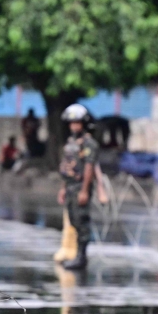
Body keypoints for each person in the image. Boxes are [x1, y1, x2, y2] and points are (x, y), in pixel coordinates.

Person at [57, 104, 99, 270]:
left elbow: (89, 167)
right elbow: (66, 165)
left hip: (80, 186)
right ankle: (77, 253)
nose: (74, 126)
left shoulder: (88, 144)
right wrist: (62, 187)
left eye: (77, 122)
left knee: (82, 221)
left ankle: (82, 256)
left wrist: (84, 190)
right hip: (70, 186)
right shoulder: (71, 142)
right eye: (72, 123)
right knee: (73, 220)